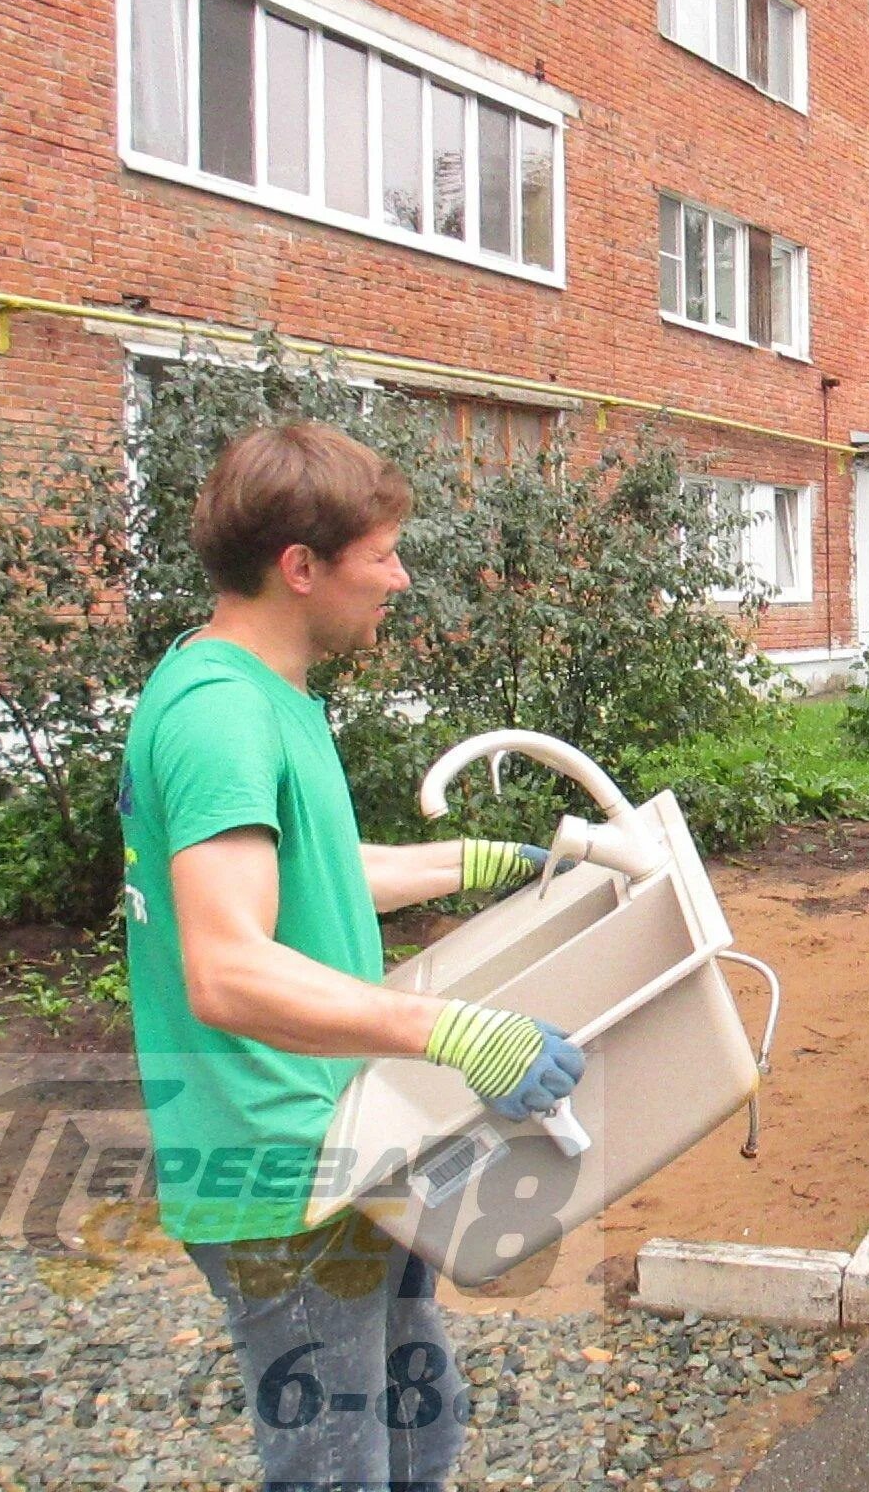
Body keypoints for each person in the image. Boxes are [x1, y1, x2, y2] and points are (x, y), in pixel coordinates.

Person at [118, 422, 586, 1492]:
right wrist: (458, 1032)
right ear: (300, 568)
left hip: (346, 1138)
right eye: (379, 555)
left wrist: (466, 861)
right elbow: (227, 967)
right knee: (337, 1469)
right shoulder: (221, 717)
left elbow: (306, 879)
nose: (400, 577)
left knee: (420, 1438)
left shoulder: (263, 695)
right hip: (279, 1172)